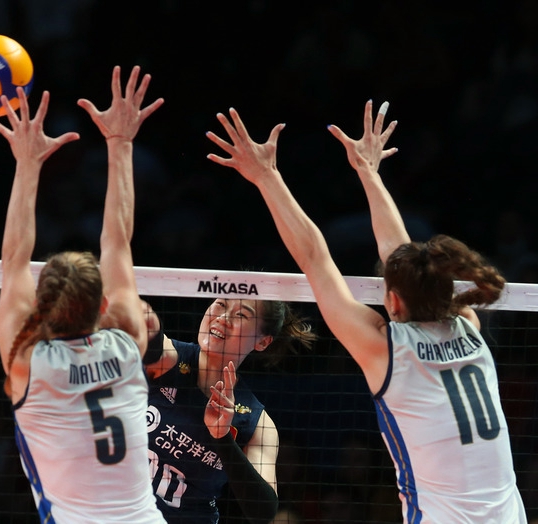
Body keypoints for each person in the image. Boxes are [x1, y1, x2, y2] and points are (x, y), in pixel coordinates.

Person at [206, 101, 527, 523]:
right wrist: (368, 171)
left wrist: (267, 176)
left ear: (393, 302)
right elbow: (405, 259)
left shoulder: (387, 349)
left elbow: (315, 257)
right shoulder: (468, 325)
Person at [0, 65, 166, 523]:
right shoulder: (128, 341)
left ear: (41, 306)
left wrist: (27, 163)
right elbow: (118, 241)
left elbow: (14, 259)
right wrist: (121, 143)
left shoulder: (27, 361)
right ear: (103, 306)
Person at [142, 296, 315, 524]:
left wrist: (222, 437)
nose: (223, 318)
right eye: (221, 304)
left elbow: (263, 512)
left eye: (241, 314)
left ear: (263, 342)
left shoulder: (257, 423)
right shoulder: (167, 359)